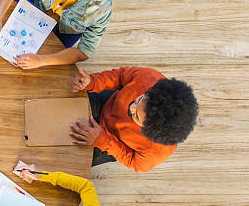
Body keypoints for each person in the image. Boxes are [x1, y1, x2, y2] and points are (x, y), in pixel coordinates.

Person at [68, 66, 199, 172]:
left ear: (147, 131)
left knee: (68, 163)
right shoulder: (150, 77)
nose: (131, 108)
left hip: (112, 144)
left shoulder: (157, 151)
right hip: (106, 103)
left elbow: (132, 160)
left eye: (135, 116)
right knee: (63, 101)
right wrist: (93, 82)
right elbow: (120, 76)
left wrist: (103, 141)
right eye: (139, 99)